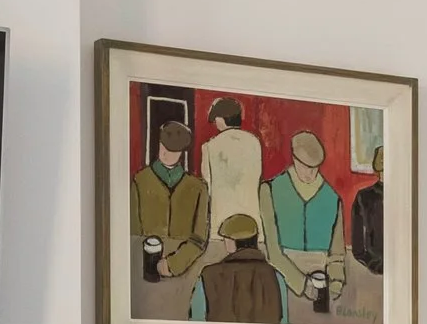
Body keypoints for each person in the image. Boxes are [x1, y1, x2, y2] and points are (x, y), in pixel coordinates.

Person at [262, 130, 348, 308]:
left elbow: (337, 252)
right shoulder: (270, 190)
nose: (311, 173)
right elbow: (273, 252)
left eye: (315, 168)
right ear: (294, 159)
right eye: (306, 167)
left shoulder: (332, 198)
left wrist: (336, 282)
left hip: (321, 283)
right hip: (280, 281)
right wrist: (302, 284)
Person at [130, 120, 208, 280]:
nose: (166, 153)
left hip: (184, 272)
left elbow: (199, 239)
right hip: (143, 268)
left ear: (181, 152)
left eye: (173, 150)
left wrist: (174, 264)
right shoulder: (140, 180)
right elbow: (133, 232)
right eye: (163, 147)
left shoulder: (198, 188)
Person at [189, 213, 292, 323]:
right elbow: (283, 322)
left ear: (231, 241)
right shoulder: (275, 276)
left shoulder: (208, 275)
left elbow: (197, 320)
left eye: (225, 239)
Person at [201, 96, 263, 237]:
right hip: (251, 216)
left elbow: (207, 184)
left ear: (221, 119)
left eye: (216, 118)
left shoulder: (210, 146)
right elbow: (257, 176)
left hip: (221, 218)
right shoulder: (254, 142)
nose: (215, 122)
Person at [350, 146, 386, 275]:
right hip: (372, 269)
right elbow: (358, 246)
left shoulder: (405, 196)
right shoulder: (364, 197)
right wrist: (372, 264)